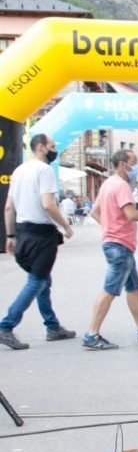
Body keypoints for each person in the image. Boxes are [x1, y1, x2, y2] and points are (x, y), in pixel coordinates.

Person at [82, 149, 138, 350]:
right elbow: (131, 214)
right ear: (123, 164)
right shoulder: (121, 185)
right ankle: (91, 334)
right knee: (110, 290)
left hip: (118, 243)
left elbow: (94, 212)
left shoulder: (107, 183)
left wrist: (109, 227)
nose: (137, 165)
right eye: (134, 161)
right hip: (120, 245)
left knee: (133, 288)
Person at [0, 133, 76, 350]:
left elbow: (9, 206)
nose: (55, 150)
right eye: (52, 145)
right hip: (42, 235)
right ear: (41, 147)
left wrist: (10, 236)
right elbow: (48, 204)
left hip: (23, 231)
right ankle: (6, 326)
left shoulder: (19, 171)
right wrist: (66, 226)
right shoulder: (44, 170)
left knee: (43, 281)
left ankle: (52, 326)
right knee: (36, 281)